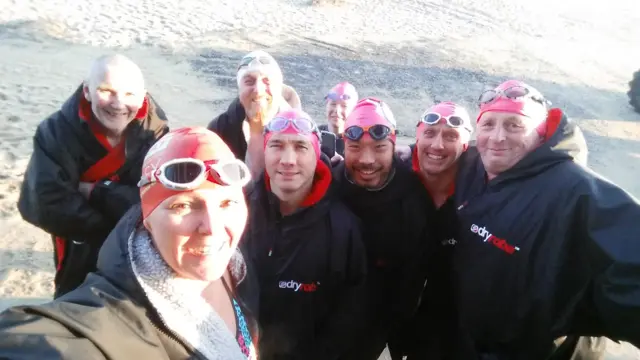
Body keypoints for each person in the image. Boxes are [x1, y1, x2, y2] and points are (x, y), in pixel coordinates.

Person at [0, 127, 259, 359]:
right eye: (183, 206)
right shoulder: (116, 316)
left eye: (227, 203)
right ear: (148, 219)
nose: (212, 228)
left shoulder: (234, 266)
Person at [452, 80, 640, 359]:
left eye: (515, 125)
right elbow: (433, 159)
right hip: (478, 341)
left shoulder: (577, 192)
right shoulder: (472, 164)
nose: (497, 138)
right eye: (488, 124)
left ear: (541, 134)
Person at [17, 54, 170, 298]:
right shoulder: (56, 132)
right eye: (107, 90)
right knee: (74, 299)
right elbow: (47, 203)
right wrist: (115, 230)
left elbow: (158, 201)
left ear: (143, 96)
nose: (119, 104)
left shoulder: (157, 135)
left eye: (130, 94)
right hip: (81, 242)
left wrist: (98, 191)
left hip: (135, 250)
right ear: (87, 91)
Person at [243, 108, 367, 359]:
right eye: (277, 145)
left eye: (301, 147)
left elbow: (350, 316)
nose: (288, 160)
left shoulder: (343, 229)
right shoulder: (238, 210)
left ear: (317, 154)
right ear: (264, 152)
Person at [330, 97, 433, 359]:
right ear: (344, 145)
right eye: (355, 147)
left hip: (378, 320)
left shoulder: (413, 195)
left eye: (379, 148)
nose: (367, 160)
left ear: (393, 145)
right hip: (327, 314)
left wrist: (398, 334)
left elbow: (413, 278)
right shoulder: (330, 185)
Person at [401, 101, 474, 360]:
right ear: (417, 137)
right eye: (430, 133)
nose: (438, 145)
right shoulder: (398, 176)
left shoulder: (481, 186)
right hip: (403, 312)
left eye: (451, 136)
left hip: (457, 322)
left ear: (466, 145)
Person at [207, 50, 301, 165]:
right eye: (249, 82)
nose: (258, 90)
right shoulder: (220, 129)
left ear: (278, 87)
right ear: (239, 89)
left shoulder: (301, 129)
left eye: (267, 81)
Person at [318, 81, 359, 156]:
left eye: (344, 106)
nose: (337, 110)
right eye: (333, 104)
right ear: (326, 106)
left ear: (354, 111)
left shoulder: (358, 140)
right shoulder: (315, 135)